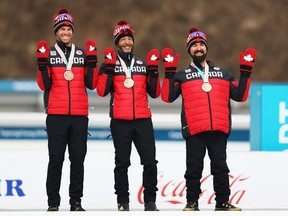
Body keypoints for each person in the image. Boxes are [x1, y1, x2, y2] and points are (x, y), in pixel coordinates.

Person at [161, 27, 256, 211]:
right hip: (195, 130)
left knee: (220, 168)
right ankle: (192, 202)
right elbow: (167, 97)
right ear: (189, 50)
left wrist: (245, 73)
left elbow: (240, 96)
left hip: (218, 129)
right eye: (194, 45)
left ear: (206, 48)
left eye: (201, 44)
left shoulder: (223, 73)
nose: (198, 48)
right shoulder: (182, 75)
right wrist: (170, 73)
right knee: (193, 170)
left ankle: (222, 202)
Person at [36, 8, 98, 211]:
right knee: (56, 159)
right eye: (61, 29)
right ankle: (53, 202)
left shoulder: (81, 53)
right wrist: (42, 65)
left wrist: (93, 63)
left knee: (78, 160)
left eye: (68, 28)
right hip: (56, 115)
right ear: (56, 32)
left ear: (72, 31)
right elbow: (43, 85)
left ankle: (76, 202)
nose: (65, 32)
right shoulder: (49, 53)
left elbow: (92, 84)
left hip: (79, 116)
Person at [97, 20, 160, 211]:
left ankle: (150, 201)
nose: (126, 42)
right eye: (122, 39)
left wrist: (155, 73)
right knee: (122, 162)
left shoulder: (142, 63)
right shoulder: (109, 63)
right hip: (120, 121)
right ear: (117, 43)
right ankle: (122, 202)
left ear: (133, 41)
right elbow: (101, 91)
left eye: (129, 38)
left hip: (143, 119)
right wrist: (108, 69)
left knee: (150, 161)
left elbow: (155, 93)